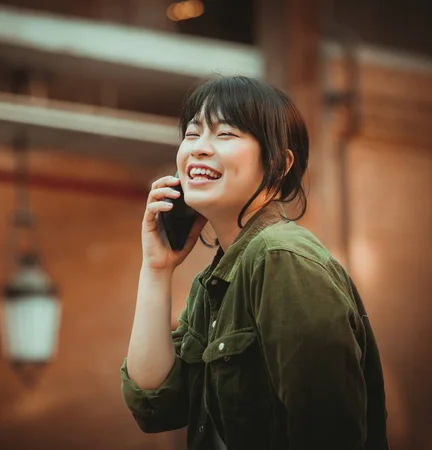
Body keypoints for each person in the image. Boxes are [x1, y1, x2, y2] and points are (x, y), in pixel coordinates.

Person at [120, 76, 389, 450]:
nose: (199, 149)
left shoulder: (281, 259)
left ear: (279, 163)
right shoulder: (217, 277)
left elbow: (328, 433)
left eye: (225, 134)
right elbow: (154, 404)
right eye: (193, 133)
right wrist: (156, 270)